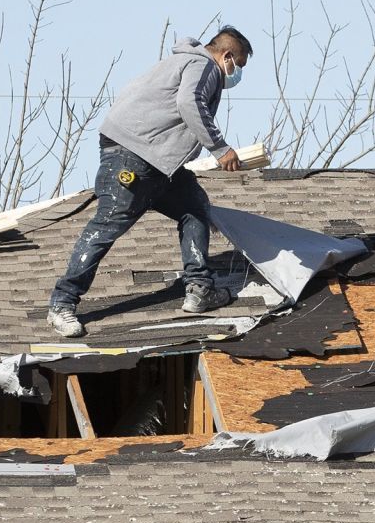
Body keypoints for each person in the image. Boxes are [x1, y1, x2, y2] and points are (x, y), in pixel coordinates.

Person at [46, 27, 253, 338]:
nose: (235, 74)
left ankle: (200, 289)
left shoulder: (175, 64)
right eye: (237, 65)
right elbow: (190, 102)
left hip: (156, 162)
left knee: (194, 207)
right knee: (106, 227)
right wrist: (220, 148)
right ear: (226, 56)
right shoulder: (204, 66)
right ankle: (62, 303)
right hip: (136, 159)